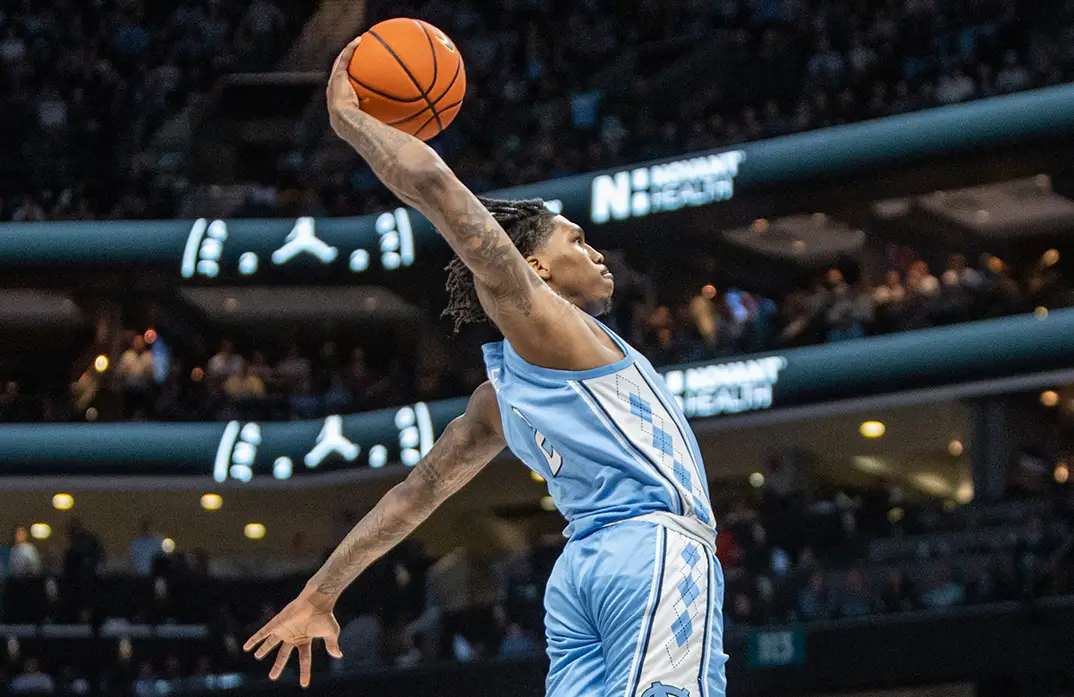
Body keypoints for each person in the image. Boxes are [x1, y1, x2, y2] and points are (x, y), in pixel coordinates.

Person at [244, 37, 727, 697]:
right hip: (650, 548)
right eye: (576, 240)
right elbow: (438, 188)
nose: (596, 252)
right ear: (534, 267)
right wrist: (349, 120)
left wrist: (320, 592)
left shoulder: (500, 398)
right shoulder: (549, 324)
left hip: (580, 576)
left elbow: (415, 494)